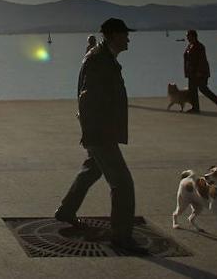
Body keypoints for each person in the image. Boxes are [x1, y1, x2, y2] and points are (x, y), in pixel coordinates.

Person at [54, 18, 150, 255]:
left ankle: (66, 211)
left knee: (92, 169)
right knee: (123, 184)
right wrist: (94, 133)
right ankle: (122, 237)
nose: (128, 38)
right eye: (125, 34)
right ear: (114, 35)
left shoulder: (105, 58)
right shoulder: (99, 60)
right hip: (100, 132)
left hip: (102, 130)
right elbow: (87, 98)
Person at [183, 30, 217, 113]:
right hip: (191, 73)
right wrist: (187, 72)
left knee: (203, 89)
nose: (187, 38)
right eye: (187, 36)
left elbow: (202, 60)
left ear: (194, 36)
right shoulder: (189, 46)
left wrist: (200, 71)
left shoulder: (200, 46)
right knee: (192, 90)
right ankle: (195, 107)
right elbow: (187, 59)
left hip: (200, 72)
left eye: (189, 36)